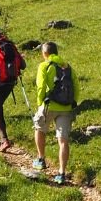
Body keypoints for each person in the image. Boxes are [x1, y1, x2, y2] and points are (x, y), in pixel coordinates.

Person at [31, 41, 77, 184]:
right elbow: (76, 86)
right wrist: (72, 102)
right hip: (66, 108)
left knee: (40, 129)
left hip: (49, 105)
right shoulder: (68, 67)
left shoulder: (44, 66)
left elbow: (40, 86)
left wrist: (40, 104)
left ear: (45, 53)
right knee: (63, 141)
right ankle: (62, 172)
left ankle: (41, 159)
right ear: (56, 52)